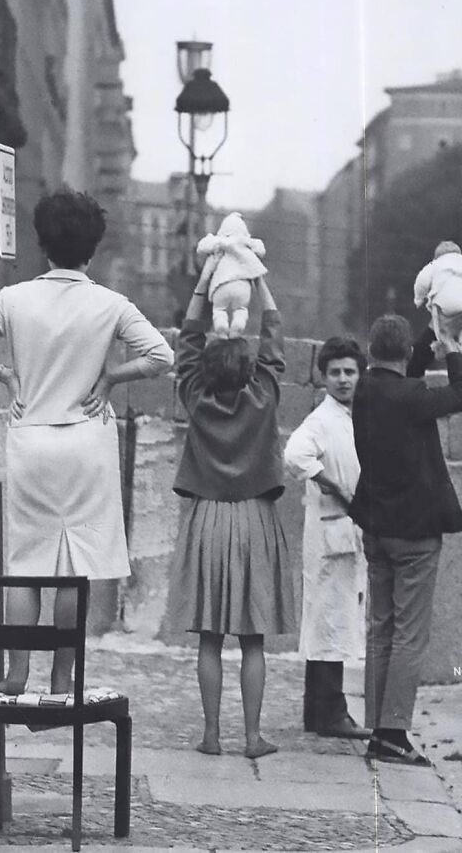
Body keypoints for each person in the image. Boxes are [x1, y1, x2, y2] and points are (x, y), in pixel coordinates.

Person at [0, 188, 174, 695]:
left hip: (32, 437)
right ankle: (63, 677)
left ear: (42, 243)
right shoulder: (111, 304)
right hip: (88, 440)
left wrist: (6, 375)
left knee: (27, 562)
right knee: (77, 565)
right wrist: (112, 377)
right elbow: (161, 357)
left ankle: (17, 672)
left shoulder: (14, 299)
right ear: (93, 247)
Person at [165, 263, 295, 760]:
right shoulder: (263, 397)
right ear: (250, 369)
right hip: (254, 519)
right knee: (253, 640)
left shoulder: (195, 397)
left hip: (207, 518)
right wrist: (259, 278)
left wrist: (203, 283)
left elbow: (188, 343)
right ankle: (253, 737)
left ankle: (212, 734)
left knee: (210, 639)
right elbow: (274, 339)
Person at [349, 312, 462, 765]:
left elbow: (409, 369)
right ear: (403, 354)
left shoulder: (363, 390)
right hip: (416, 533)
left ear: (369, 352)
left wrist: (436, 326)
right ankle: (395, 732)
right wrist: (456, 349)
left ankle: (379, 729)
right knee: (409, 636)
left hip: (376, 529)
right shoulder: (412, 396)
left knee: (380, 630)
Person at [284, 337, 369, 739]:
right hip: (329, 530)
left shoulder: (356, 417)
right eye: (334, 372)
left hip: (348, 532)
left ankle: (319, 713)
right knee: (328, 622)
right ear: (323, 377)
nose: (343, 379)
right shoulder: (321, 420)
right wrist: (333, 485)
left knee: (335, 621)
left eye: (349, 372)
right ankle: (331, 712)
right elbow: (295, 455)